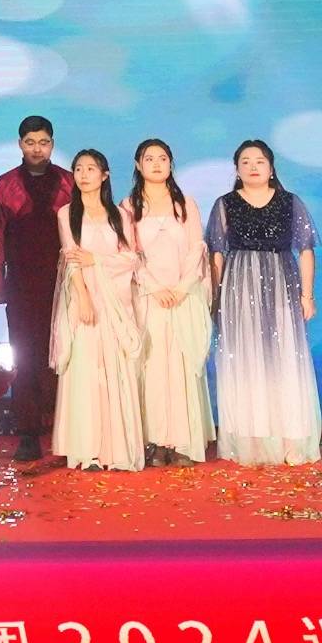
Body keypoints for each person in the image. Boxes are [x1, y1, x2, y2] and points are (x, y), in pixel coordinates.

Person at [211, 139, 321, 466]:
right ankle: (253, 441)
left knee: (285, 358)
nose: (253, 167)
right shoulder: (225, 204)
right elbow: (216, 254)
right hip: (239, 286)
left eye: (259, 161)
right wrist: (215, 296)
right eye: (245, 161)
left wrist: (307, 296)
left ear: (271, 167)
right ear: (236, 169)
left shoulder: (290, 202)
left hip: (281, 282)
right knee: (245, 361)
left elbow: (305, 250)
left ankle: (289, 439)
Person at [49, 146, 147, 472]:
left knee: (114, 373)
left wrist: (97, 260)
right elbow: (71, 258)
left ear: (105, 175)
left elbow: (130, 258)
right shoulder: (67, 213)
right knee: (86, 372)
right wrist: (84, 298)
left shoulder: (120, 215)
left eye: (91, 169)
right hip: (84, 299)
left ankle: (116, 450)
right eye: (78, 169)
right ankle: (87, 451)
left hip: (115, 300)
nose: (83, 175)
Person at [0, 114, 65, 461]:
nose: (37, 149)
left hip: (65, 283)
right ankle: (29, 433)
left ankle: (65, 431)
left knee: (63, 354)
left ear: (52, 144)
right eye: (30, 142)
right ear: (20, 144)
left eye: (43, 142)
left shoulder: (68, 183)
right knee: (26, 355)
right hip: (22, 285)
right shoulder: (5, 186)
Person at [132, 140, 211, 464]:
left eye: (162, 158)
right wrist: (154, 287)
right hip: (148, 297)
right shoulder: (128, 207)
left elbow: (196, 249)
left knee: (180, 366)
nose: (156, 164)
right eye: (149, 158)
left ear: (171, 163)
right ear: (138, 165)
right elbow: (129, 254)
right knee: (152, 367)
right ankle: (154, 440)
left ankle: (182, 442)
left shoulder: (185, 204)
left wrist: (181, 288)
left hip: (183, 295)